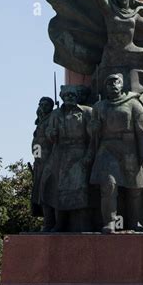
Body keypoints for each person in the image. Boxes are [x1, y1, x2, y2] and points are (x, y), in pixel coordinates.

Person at [90, 73, 143, 233]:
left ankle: (133, 222)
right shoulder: (99, 106)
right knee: (108, 186)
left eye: (115, 82)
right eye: (109, 83)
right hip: (107, 149)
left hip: (129, 149)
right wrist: (93, 127)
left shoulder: (134, 104)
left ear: (122, 84)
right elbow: (90, 130)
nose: (112, 85)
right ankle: (110, 222)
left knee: (134, 189)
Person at [43, 86, 93, 232]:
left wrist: (89, 155)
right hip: (60, 154)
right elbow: (49, 134)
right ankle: (60, 223)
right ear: (61, 96)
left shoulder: (87, 112)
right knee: (58, 189)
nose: (70, 97)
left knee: (81, 188)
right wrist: (51, 133)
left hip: (79, 152)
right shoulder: (56, 114)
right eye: (66, 95)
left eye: (72, 94)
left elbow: (93, 137)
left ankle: (83, 223)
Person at [31, 96, 56, 231]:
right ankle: (47, 222)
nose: (43, 107)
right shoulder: (40, 120)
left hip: (50, 161)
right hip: (39, 162)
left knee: (47, 192)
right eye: (41, 104)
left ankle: (50, 223)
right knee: (40, 194)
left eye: (46, 104)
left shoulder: (53, 118)